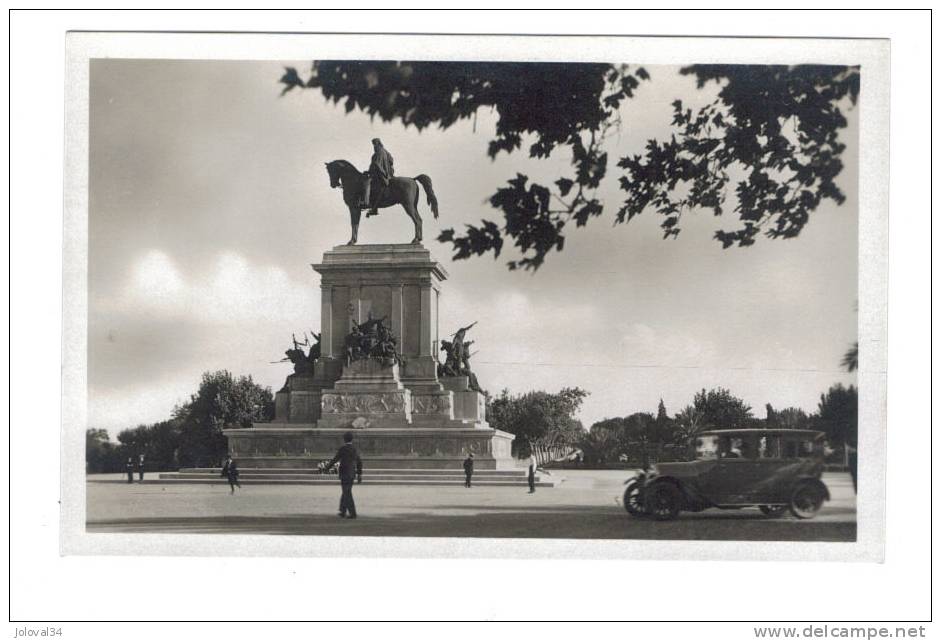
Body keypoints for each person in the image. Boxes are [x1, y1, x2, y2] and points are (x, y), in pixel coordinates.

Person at [324, 431, 363, 518]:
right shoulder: (354, 449)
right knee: (346, 491)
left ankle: (353, 513)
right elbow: (359, 462)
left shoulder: (343, 449)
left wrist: (327, 468)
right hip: (352, 473)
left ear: (344, 439)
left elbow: (335, 459)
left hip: (344, 473)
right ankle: (343, 510)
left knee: (347, 492)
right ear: (352, 439)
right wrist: (359, 474)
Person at [363, 138, 394, 217]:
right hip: (384, 173)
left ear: (378, 144)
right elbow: (391, 160)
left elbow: (377, 164)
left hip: (380, 175)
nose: (374, 146)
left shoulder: (379, 152)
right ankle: (374, 208)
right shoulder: (385, 151)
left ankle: (366, 203)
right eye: (373, 144)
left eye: (374, 144)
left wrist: (371, 172)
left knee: (367, 183)